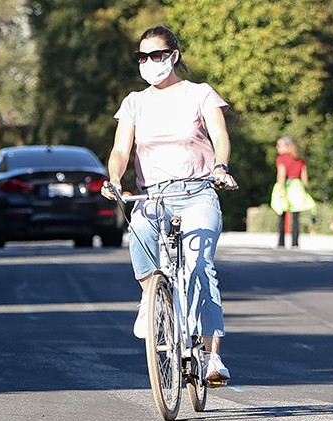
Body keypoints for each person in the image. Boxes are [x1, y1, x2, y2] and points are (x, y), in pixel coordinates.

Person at [100, 25, 237, 383]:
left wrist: (220, 168)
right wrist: (114, 180)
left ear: (173, 56)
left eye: (157, 55)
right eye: (142, 57)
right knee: (140, 231)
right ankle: (151, 297)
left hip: (197, 192)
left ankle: (211, 357)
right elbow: (120, 150)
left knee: (199, 266)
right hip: (154, 194)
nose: (149, 62)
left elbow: (220, 135)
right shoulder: (134, 102)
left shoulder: (200, 94)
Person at [270, 136, 315, 248]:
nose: (277, 147)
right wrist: (306, 190)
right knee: (295, 217)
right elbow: (305, 178)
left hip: (286, 185)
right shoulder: (300, 159)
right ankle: (295, 243)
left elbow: (281, 174)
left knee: (282, 214)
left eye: (280, 145)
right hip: (297, 186)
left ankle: (281, 242)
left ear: (288, 146)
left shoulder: (282, 158)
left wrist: (281, 189)